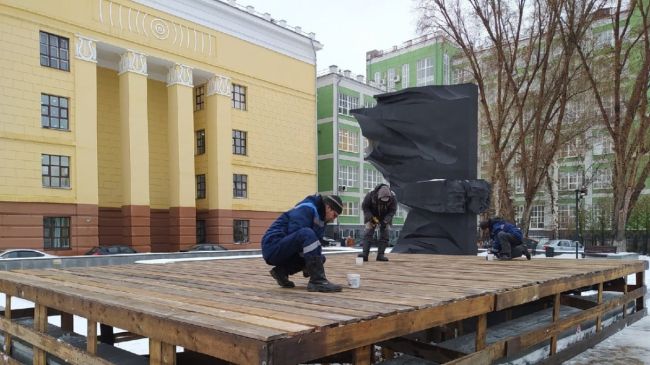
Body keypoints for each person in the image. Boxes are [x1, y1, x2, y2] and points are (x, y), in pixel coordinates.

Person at [262, 194, 343, 292]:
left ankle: (281, 272)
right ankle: (317, 281)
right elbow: (297, 233)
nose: (333, 219)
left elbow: (314, 245)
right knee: (306, 233)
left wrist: (309, 264)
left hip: (285, 247)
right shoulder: (307, 208)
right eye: (334, 215)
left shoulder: (321, 220)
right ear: (328, 207)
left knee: (320, 258)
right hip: (273, 245)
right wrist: (308, 263)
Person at [358, 184, 397, 262]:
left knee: (385, 235)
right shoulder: (370, 195)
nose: (384, 202)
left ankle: (380, 255)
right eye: (382, 200)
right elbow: (365, 207)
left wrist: (385, 221)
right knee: (368, 233)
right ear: (378, 196)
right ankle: (365, 254)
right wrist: (372, 219)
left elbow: (392, 211)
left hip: (385, 217)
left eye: (386, 201)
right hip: (372, 216)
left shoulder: (393, 197)